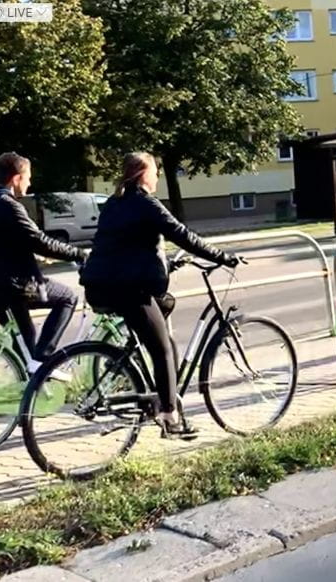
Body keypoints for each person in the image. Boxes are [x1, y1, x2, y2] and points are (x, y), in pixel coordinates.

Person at [80, 152, 240, 439]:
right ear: (144, 174)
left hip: (101, 284)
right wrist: (222, 256)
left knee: (165, 310)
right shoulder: (146, 203)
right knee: (163, 349)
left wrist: (166, 264)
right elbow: (182, 235)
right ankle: (170, 418)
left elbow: (128, 246)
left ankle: (158, 388)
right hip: (128, 289)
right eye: (155, 171)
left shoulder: (114, 203)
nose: (157, 177)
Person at [0, 152, 87, 376]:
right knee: (67, 298)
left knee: (26, 343)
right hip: (12, 286)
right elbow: (40, 241)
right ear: (16, 178)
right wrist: (78, 254)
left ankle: (30, 383)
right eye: (28, 177)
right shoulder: (8, 205)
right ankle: (44, 362)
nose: (30, 183)